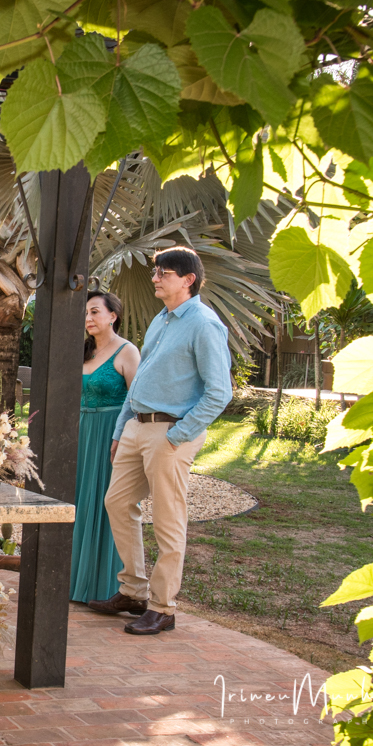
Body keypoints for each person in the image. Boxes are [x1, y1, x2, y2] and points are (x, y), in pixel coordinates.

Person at [89, 247, 232, 635]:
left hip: (171, 431)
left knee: (168, 520)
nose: (155, 277)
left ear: (188, 279)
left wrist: (178, 436)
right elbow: (141, 382)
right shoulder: (161, 321)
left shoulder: (204, 324)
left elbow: (220, 392)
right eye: (155, 271)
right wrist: (122, 430)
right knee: (116, 502)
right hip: (137, 425)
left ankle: (163, 607)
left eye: (163, 272)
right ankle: (133, 591)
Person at [70, 292, 140, 603]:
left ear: (113, 315)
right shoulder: (81, 353)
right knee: (80, 500)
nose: (88, 318)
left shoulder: (127, 352)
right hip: (82, 433)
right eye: (86, 313)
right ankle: (75, 580)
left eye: (95, 311)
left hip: (112, 436)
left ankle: (105, 585)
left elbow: (137, 402)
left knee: (107, 503)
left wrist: (122, 437)